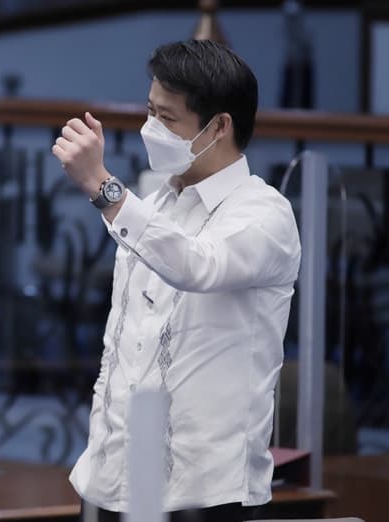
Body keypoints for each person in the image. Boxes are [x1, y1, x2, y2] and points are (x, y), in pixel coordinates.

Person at [52, 40, 301, 522]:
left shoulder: (265, 213)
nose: (151, 129)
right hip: (110, 479)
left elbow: (197, 265)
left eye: (167, 118)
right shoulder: (154, 207)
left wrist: (103, 188)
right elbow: (121, 343)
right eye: (150, 112)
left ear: (219, 126)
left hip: (205, 492)